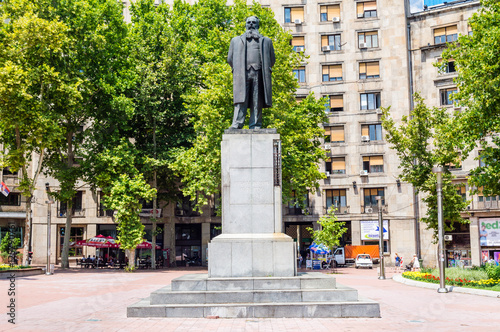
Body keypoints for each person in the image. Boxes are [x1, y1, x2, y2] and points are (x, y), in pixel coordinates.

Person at [227, 16, 275, 129]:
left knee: (257, 99)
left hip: (259, 73)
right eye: (249, 22)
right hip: (242, 74)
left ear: (258, 25)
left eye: (254, 22)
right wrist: (238, 69)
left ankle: (255, 124)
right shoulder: (235, 40)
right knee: (240, 99)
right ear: (245, 24)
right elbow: (230, 59)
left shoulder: (266, 41)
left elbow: (271, 59)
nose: (251, 24)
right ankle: (237, 123)